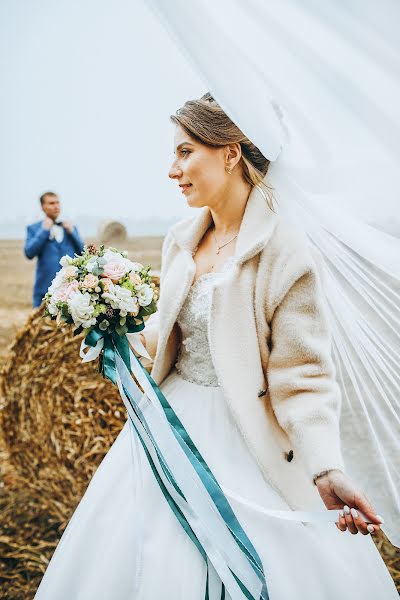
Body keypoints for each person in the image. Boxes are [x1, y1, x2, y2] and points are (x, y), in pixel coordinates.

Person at [34, 95, 398, 599]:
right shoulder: (181, 240)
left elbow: (304, 376)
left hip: (247, 442)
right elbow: (174, 338)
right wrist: (115, 327)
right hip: (170, 428)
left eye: (185, 152)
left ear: (230, 153)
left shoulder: (284, 251)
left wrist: (325, 466)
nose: (172, 170)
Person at [24, 191, 84, 307]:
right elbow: (29, 253)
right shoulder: (34, 228)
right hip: (44, 290)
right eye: (51, 203)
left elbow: (83, 252)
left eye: (57, 202)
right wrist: (44, 231)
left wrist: (72, 233)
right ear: (43, 207)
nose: (56, 206)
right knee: (39, 324)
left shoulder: (70, 227)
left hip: (70, 290)